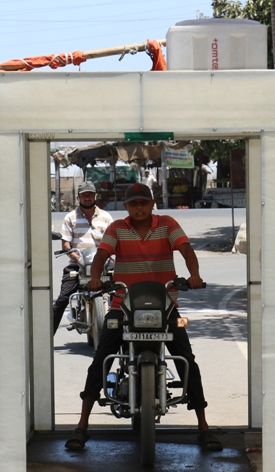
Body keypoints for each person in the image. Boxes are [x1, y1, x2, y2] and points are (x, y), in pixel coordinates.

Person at [64, 183, 220, 452]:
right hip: (122, 304)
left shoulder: (167, 224)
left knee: (187, 359)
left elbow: (186, 250)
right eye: (133, 203)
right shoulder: (117, 229)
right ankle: (82, 425)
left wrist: (194, 275)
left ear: (152, 204)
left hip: (166, 306)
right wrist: (96, 278)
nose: (138, 207)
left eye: (143, 203)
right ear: (126, 207)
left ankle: (203, 427)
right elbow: (101, 255)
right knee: (102, 358)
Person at [52, 181, 113, 333]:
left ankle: (126, 336)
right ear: (78, 197)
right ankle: (45, 340)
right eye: (84, 195)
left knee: (123, 292)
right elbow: (65, 244)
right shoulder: (70, 217)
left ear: (95, 196)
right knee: (62, 299)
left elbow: (113, 240)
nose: (87, 198)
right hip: (78, 263)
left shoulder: (106, 217)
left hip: (104, 263)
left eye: (90, 195)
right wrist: (76, 258)